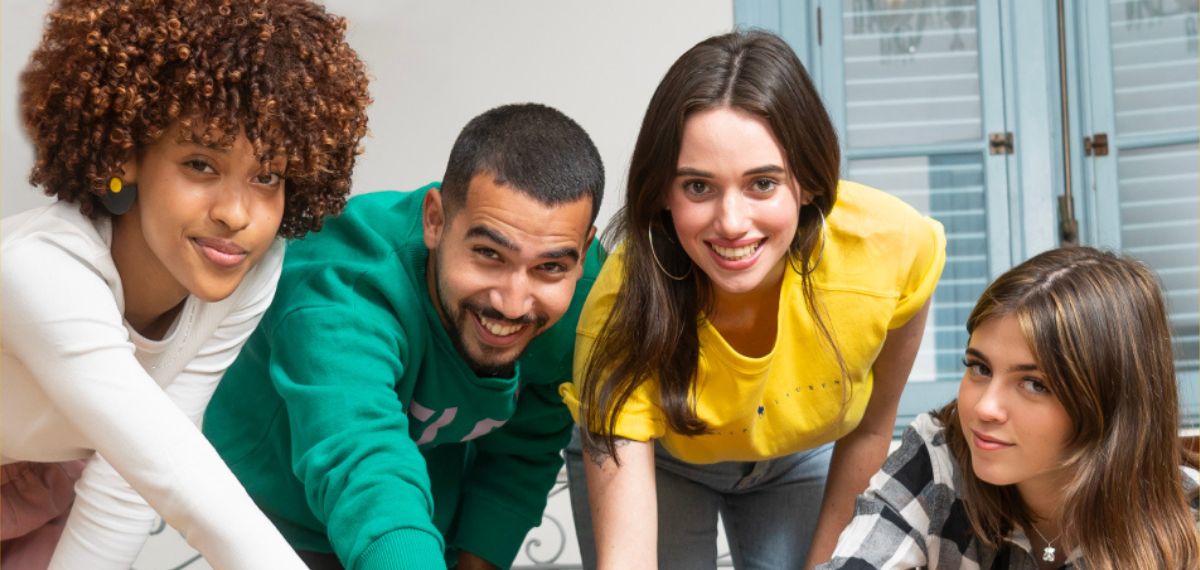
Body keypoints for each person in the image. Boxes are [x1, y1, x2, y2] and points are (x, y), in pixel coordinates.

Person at [0, 1, 371, 568]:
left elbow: (135, 477)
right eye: (201, 164)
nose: (236, 213)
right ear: (127, 150)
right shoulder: (38, 272)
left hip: (40, 486)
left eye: (267, 176)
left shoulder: (246, 268)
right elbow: (185, 484)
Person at [559, 30, 946, 570]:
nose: (732, 223)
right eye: (698, 187)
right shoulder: (620, 311)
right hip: (662, 460)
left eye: (762, 183)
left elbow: (871, 429)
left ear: (809, 181)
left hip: (801, 453)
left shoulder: (894, 251)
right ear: (663, 194)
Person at [201, 103, 605, 570]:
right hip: (279, 509)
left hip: (428, 512)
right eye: (489, 254)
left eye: (550, 267)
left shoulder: (586, 300)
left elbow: (525, 447)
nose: (514, 303)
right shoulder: (343, 288)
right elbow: (362, 461)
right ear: (435, 221)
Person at [819, 246, 1200, 570]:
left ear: (1109, 401)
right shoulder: (938, 459)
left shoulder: (1186, 519)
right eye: (980, 368)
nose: (985, 408)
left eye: (1035, 384)